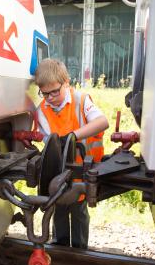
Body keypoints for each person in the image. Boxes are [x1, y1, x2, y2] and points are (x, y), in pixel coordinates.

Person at [35, 58, 109, 249]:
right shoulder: (42, 111)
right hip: (58, 175)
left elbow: (102, 122)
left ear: (66, 82)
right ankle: (59, 247)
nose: (50, 97)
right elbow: (46, 141)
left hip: (83, 172)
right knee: (58, 209)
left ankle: (79, 249)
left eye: (54, 92)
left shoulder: (81, 101)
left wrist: (72, 136)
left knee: (79, 212)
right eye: (45, 94)